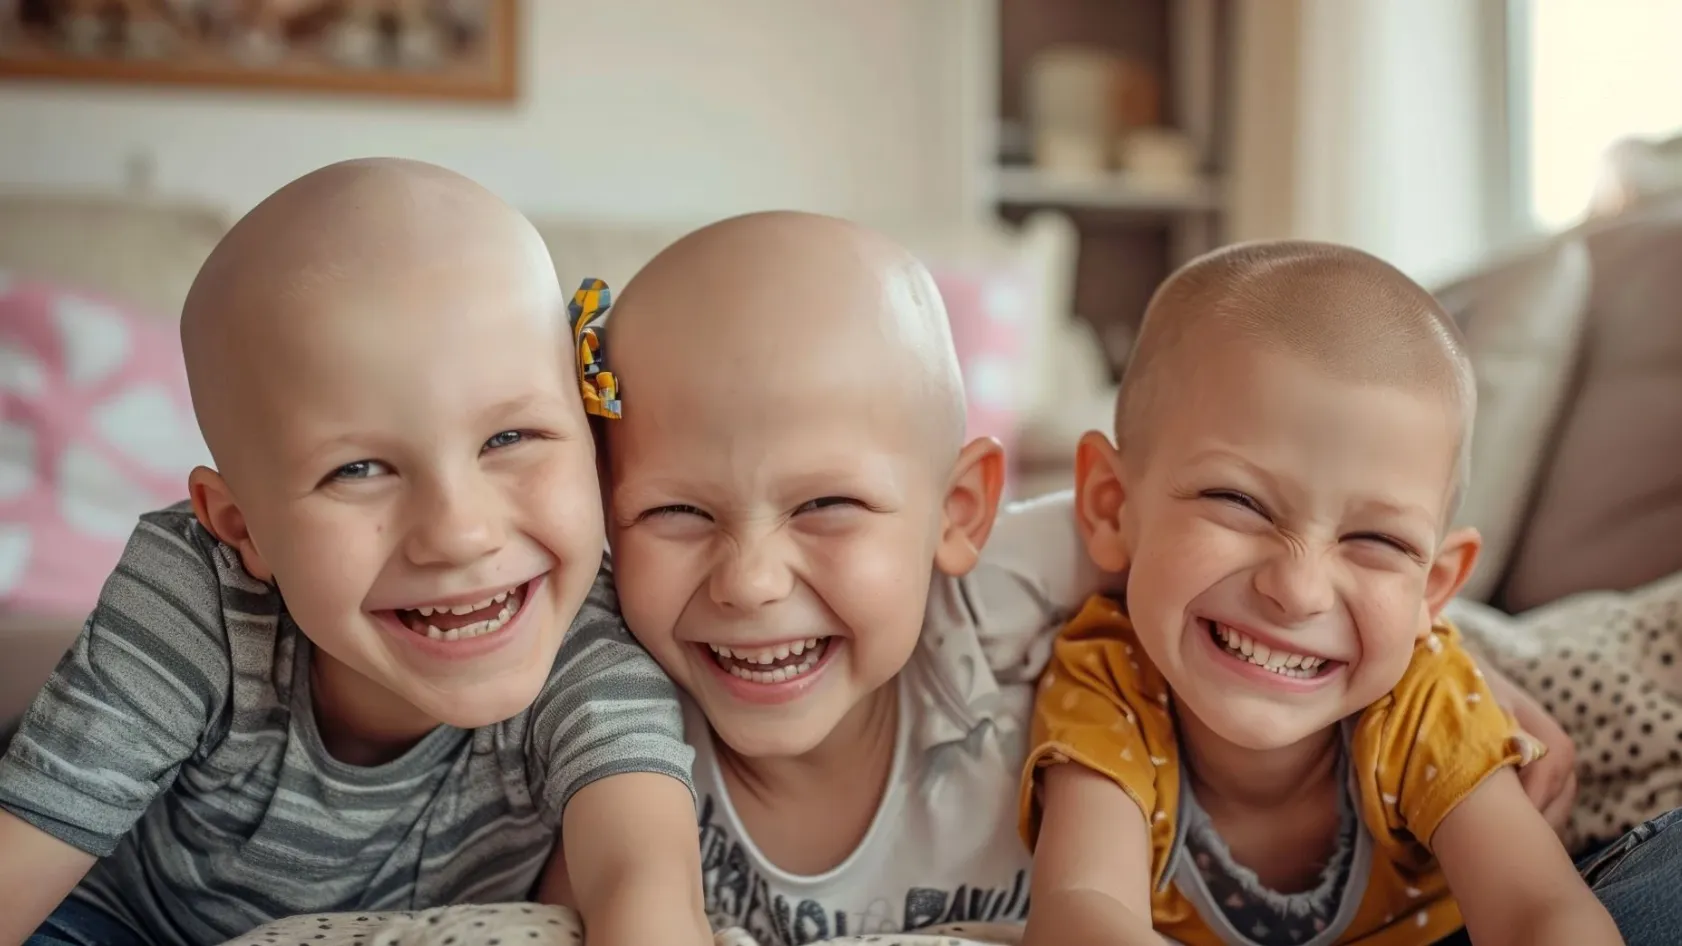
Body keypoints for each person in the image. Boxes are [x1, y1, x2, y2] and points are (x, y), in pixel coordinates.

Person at [0, 159, 709, 946]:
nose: (460, 532)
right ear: (242, 527)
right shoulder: (195, 598)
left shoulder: (592, 643)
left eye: (510, 437)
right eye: (359, 469)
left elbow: (647, 882)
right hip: (116, 916)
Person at [1018, 240, 1621, 946]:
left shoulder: (1423, 698)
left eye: (1379, 542)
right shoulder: (1111, 679)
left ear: (1435, 588)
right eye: (1237, 501)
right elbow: (1082, 913)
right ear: (1110, 505)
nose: (1298, 591)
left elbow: (1539, 913)